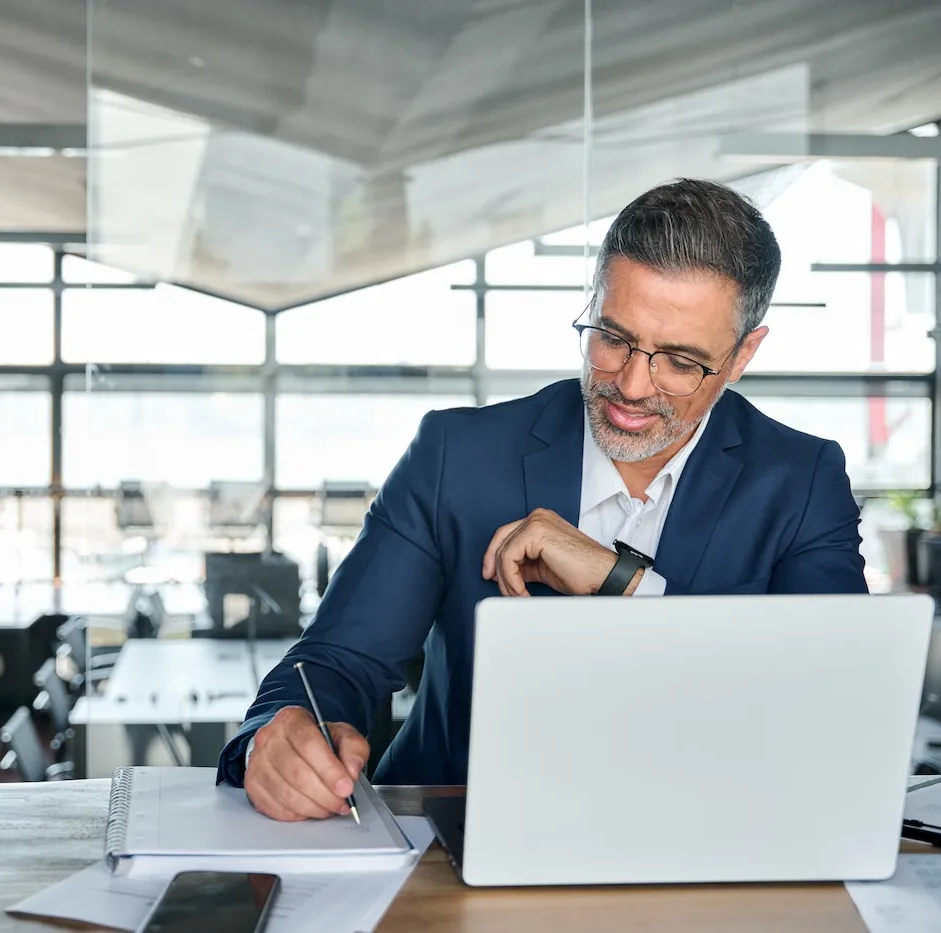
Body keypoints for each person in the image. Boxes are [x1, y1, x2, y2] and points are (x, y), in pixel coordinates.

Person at [219, 178, 868, 822]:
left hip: (701, 844)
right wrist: (275, 739)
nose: (632, 385)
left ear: (743, 353)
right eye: (612, 336)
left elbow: (829, 710)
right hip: (447, 846)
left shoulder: (801, 481)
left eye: (679, 360)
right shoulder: (457, 456)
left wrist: (621, 582)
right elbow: (336, 661)